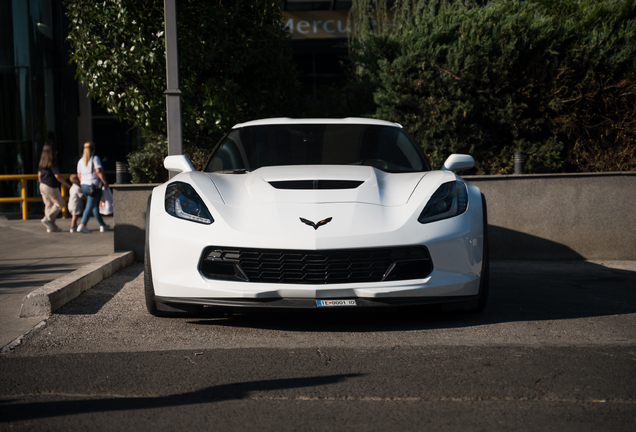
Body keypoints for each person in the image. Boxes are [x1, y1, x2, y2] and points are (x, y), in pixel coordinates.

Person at [76, 141, 110, 233]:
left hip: (84, 186)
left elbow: (79, 176)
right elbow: (98, 171)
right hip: (93, 186)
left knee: (94, 205)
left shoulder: (80, 161)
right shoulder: (95, 158)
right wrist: (105, 182)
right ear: (93, 149)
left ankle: (102, 225)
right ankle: (82, 224)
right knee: (90, 206)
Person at [38, 142, 71, 232]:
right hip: (51, 185)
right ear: (52, 152)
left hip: (42, 185)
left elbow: (39, 175)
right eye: (55, 150)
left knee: (48, 205)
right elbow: (57, 176)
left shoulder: (42, 162)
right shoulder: (52, 162)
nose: (56, 152)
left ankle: (51, 227)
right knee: (60, 204)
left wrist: (42, 184)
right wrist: (67, 184)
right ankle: (47, 219)